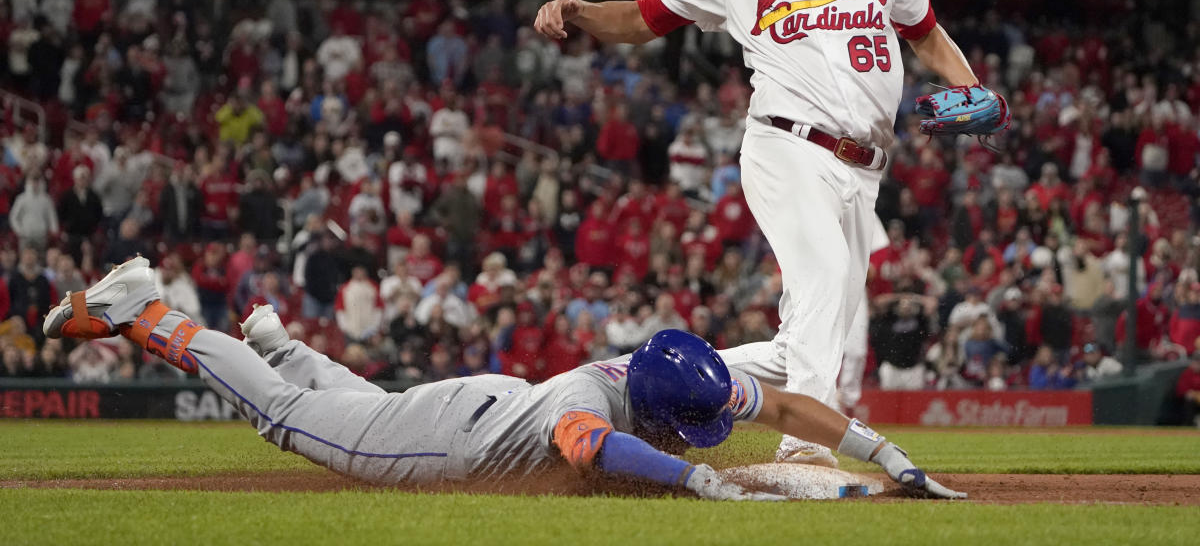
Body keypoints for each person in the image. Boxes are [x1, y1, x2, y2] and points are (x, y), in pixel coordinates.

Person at [535, 0, 995, 466]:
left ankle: (629, 383)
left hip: (864, 171)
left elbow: (926, 35)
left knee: (807, 338)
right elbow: (643, 18)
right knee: (826, 279)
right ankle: (803, 451)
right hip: (786, 147)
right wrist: (580, 11)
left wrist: (972, 88)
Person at [44, 257, 962, 500]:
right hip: (458, 440)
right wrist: (703, 481)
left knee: (357, 402)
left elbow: (789, 404)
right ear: (658, 406)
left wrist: (885, 453)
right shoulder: (595, 400)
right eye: (691, 431)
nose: (701, 433)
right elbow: (584, 443)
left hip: (479, 403)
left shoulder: (675, 374)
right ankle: (142, 310)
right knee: (289, 419)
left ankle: (278, 338)